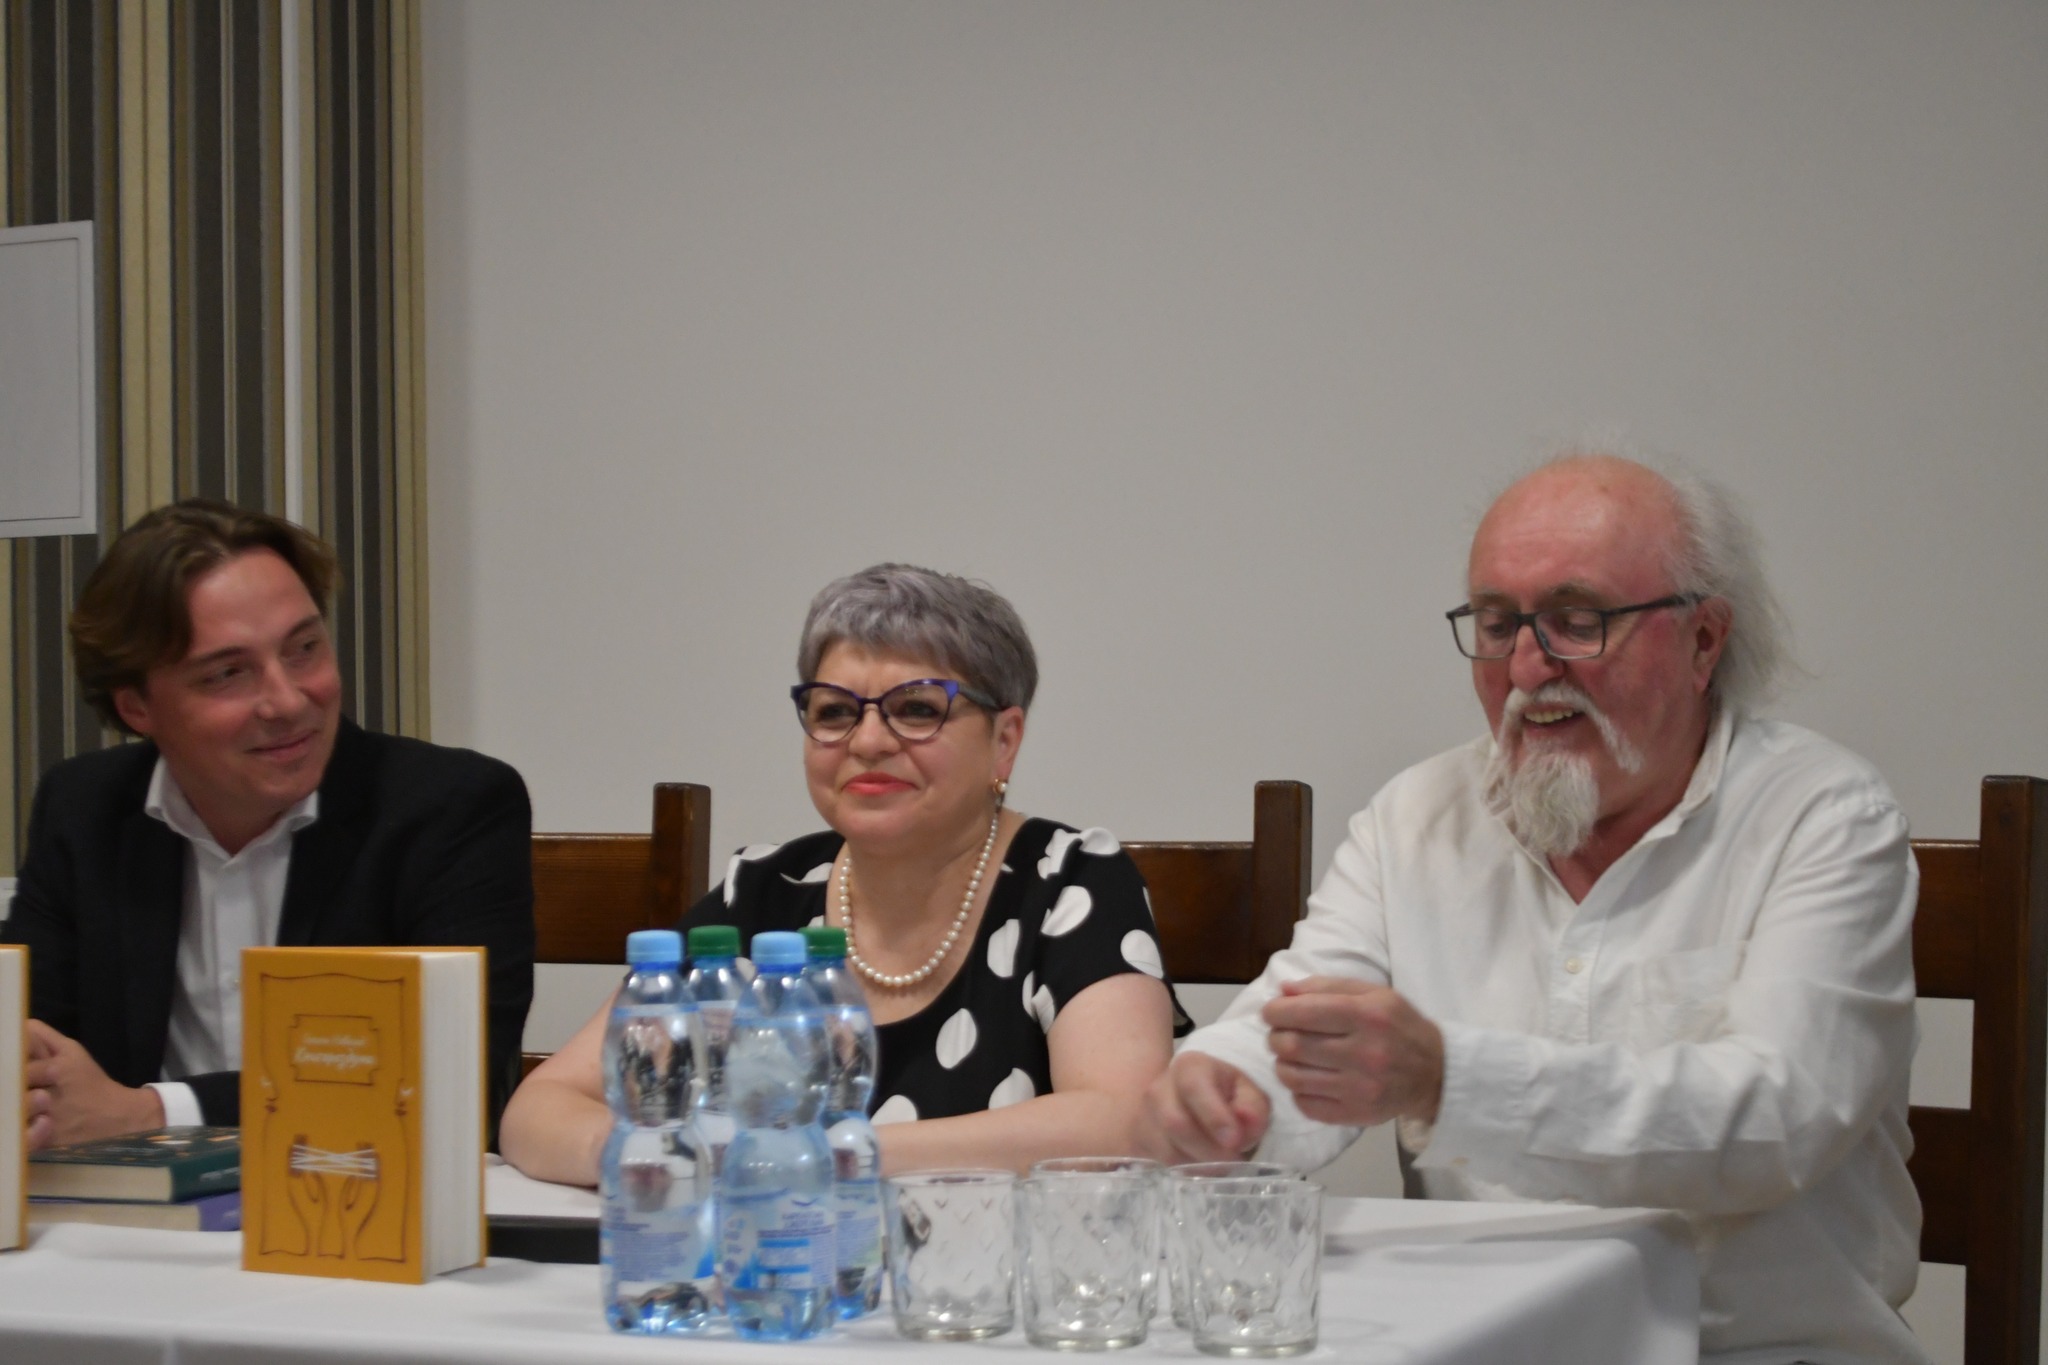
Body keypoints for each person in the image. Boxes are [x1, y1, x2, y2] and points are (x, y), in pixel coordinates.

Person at [1138, 453, 1925, 1365]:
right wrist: (1223, 1097)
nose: (1525, 666)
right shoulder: (1414, 818)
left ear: (1704, 639)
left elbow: (1775, 1120)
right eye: (1497, 622)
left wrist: (1448, 1081)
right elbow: (1297, 1026)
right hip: (1483, 1343)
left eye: (1577, 621)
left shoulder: (1823, 815)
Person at [503, 563, 1185, 1183]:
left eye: (917, 709)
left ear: (1004, 741)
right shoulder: (765, 890)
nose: (868, 741)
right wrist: (663, 1158)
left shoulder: (1069, 881)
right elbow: (541, 1109)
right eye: (834, 711)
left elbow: (1123, 1120)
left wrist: (822, 1159)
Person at [4, 500, 534, 1149]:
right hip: (131, 1199)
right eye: (229, 673)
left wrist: (151, 1111)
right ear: (137, 706)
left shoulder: (450, 807)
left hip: (355, 1186)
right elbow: (30, 1045)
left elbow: (456, 1074)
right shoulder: (84, 808)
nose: (287, 700)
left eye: (304, 648)